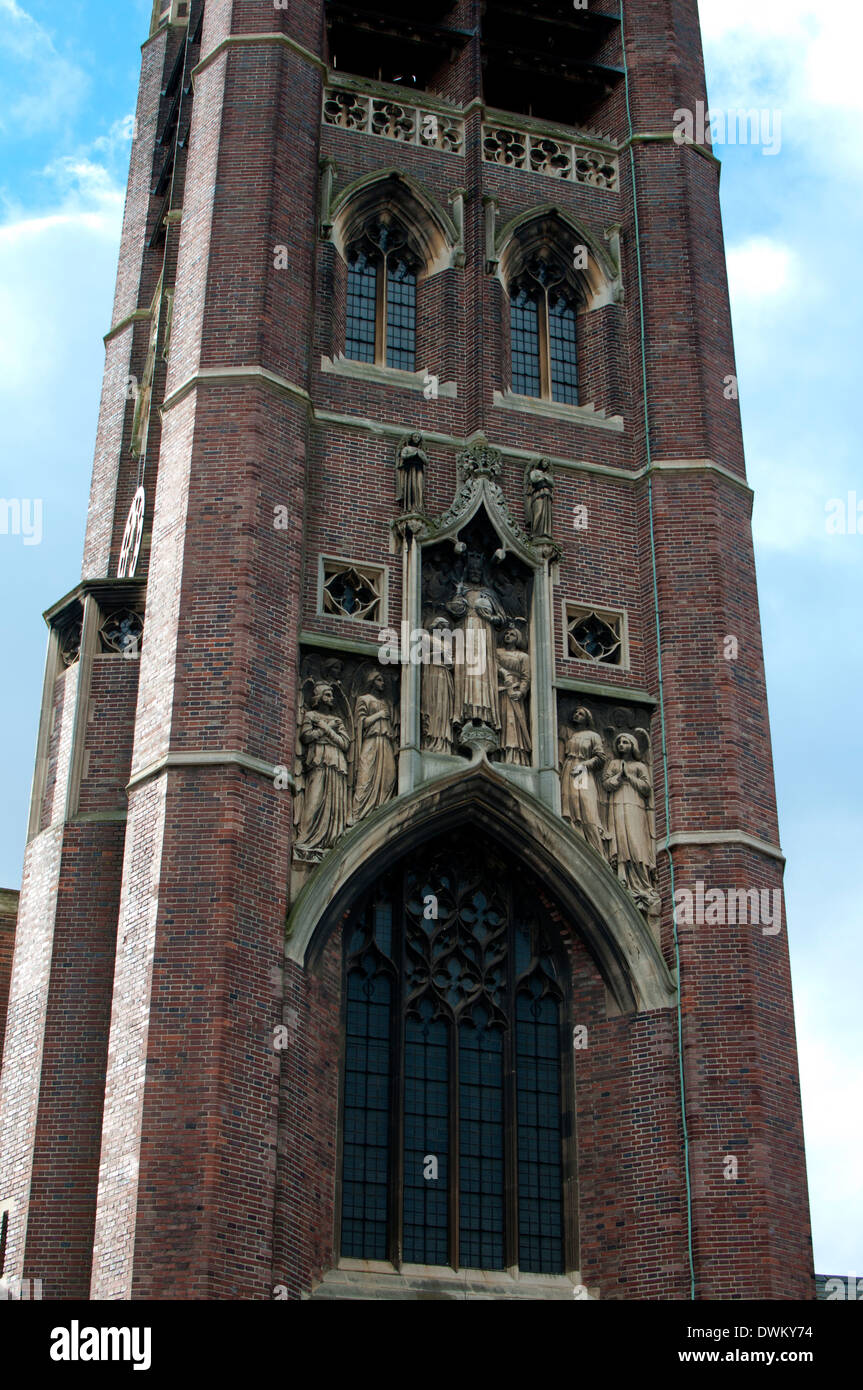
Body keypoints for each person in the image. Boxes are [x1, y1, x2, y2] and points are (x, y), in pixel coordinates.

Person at [446, 551, 505, 730]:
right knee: (466, 672)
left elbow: (501, 618)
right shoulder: (463, 591)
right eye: (471, 571)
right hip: (465, 630)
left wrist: (490, 617)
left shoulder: (488, 593)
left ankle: (485, 716)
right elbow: (454, 610)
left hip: (484, 632)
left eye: (477, 572)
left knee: (483, 673)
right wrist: (458, 594)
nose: (474, 574)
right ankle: (465, 714)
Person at [295, 683, 351, 850]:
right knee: (315, 797)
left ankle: (331, 839)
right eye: (327, 695)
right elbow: (305, 737)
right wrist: (323, 731)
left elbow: (344, 744)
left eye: (331, 695)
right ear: (318, 698)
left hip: (336, 760)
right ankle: (307, 837)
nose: (331, 698)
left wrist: (327, 729)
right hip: (318, 759)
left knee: (334, 800)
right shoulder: (311, 715)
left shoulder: (337, 721)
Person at [602, 732, 655, 894]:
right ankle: (623, 876)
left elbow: (646, 788)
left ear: (633, 745)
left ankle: (641, 880)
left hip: (635, 805)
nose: (621, 745)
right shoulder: (614, 764)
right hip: (617, 804)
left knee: (635, 840)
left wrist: (629, 777)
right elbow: (606, 783)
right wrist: (619, 777)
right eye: (619, 742)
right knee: (621, 838)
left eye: (625, 742)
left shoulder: (640, 766)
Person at [560, 707, 608, 857]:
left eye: (581, 713)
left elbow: (600, 757)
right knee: (571, 805)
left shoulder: (593, 735)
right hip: (569, 769)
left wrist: (585, 765)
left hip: (582, 771)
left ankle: (596, 851)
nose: (576, 715)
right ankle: (576, 841)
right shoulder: (570, 734)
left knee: (587, 807)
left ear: (587, 718)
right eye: (575, 713)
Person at [352, 670, 397, 820]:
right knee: (365, 777)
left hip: (386, 742)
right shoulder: (364, 699)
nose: (382, 683)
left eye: (383, 680)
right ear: (371, 682)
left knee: (389, 777)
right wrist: (379, 715)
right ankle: (358, 815)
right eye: (379, 680)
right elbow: (360, 723)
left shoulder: (386, 703)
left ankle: (382, 810)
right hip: (371, 741)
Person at [496, 625, 531, 765]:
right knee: (501, 720)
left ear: (517, 639)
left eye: (512, 634)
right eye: (506, 633)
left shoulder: (523, 656)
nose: (508, 635)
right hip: (499, 690)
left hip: (514, 691)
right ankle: (498, 753)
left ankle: (514, 755)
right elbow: (492, 663)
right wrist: (503, 672)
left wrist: (521, 692)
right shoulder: (497, 652)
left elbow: (526, 677)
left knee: (512, 723)